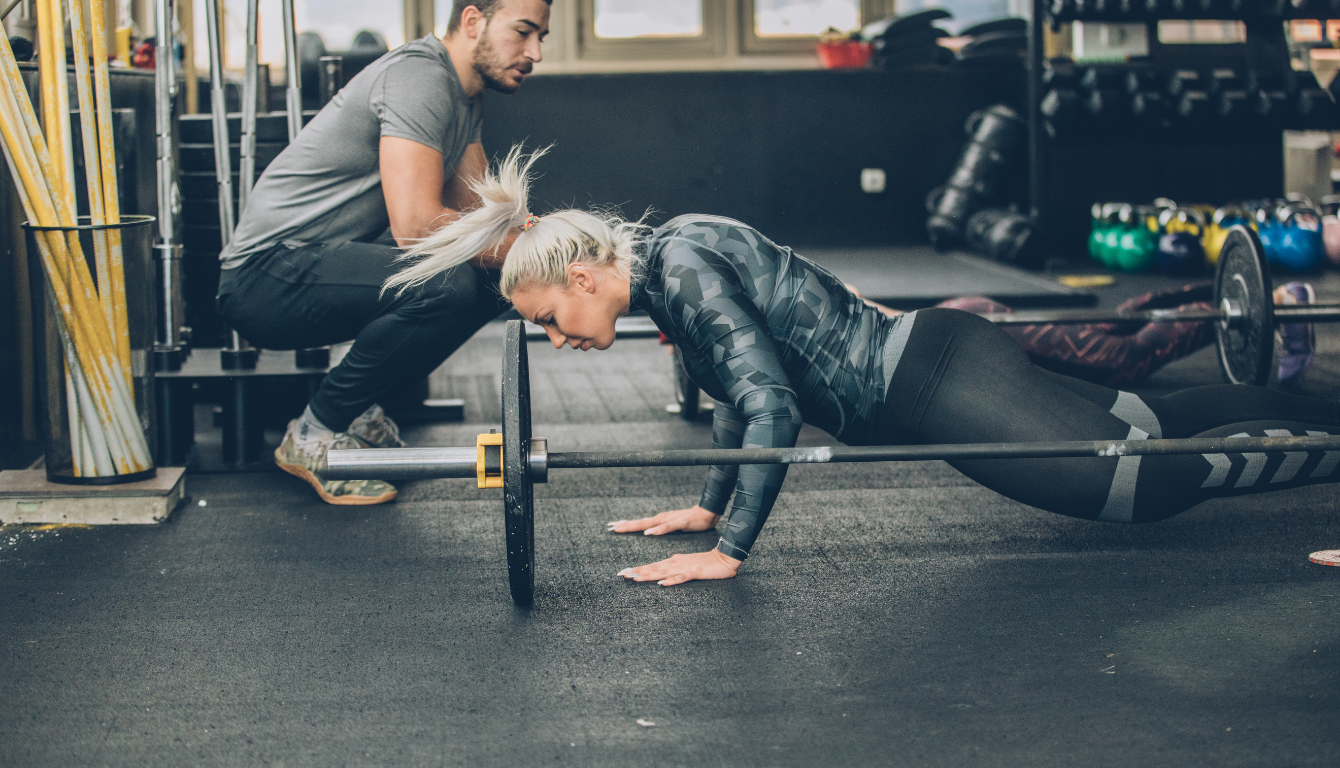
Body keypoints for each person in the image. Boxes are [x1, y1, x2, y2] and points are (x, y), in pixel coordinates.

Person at [388, 148, 1340, 586]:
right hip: (941, 366)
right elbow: (737, 399)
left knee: (1148, 483)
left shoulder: (679, 268)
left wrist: (729, 551)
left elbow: (766, 403)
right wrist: (710, 501)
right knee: (1155, 423)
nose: (559, 339)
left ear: (587, 274)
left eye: (552, 319)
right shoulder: (676, 264)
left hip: (939, 387)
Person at [215, 0, 551, 505]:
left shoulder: (464, 96)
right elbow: (417, 228)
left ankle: (356, 408)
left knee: (491, 281)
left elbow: (483, 214)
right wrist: (536, 249)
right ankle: (314, 433)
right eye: (523, 32)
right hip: (265, 277)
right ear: (473, 21)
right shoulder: (421, 79)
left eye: (541, 37)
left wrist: (550, 239)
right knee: (446, 285)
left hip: (312, 265)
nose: (535, 52)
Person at [857, 282, 1316, 388]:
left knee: (1125, 360)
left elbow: (866, 306)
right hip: (958, 322)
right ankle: (1240, 288)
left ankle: (1279, 301)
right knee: (1113, 326)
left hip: (969, 330)